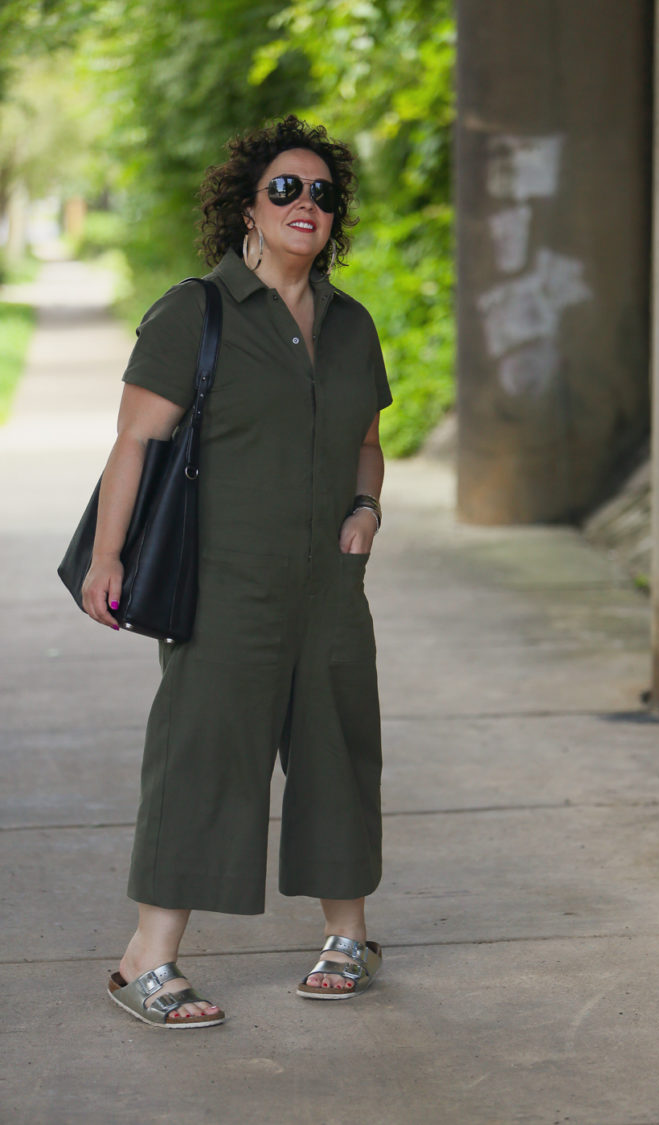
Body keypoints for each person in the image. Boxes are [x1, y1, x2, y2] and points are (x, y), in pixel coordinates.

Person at [81, 115, 392, 1028]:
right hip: (224, 586)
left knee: (339, 754)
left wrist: (367, 512)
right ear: (248, 211)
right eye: (285, 189)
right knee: (202, 759)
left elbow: (368, 444)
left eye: (323, 194)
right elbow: (134, 442)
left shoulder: (350, 325)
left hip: (330, 589)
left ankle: (348, 938)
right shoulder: (196, 312)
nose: (307, 205)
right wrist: (107, 557)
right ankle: (147, 958)